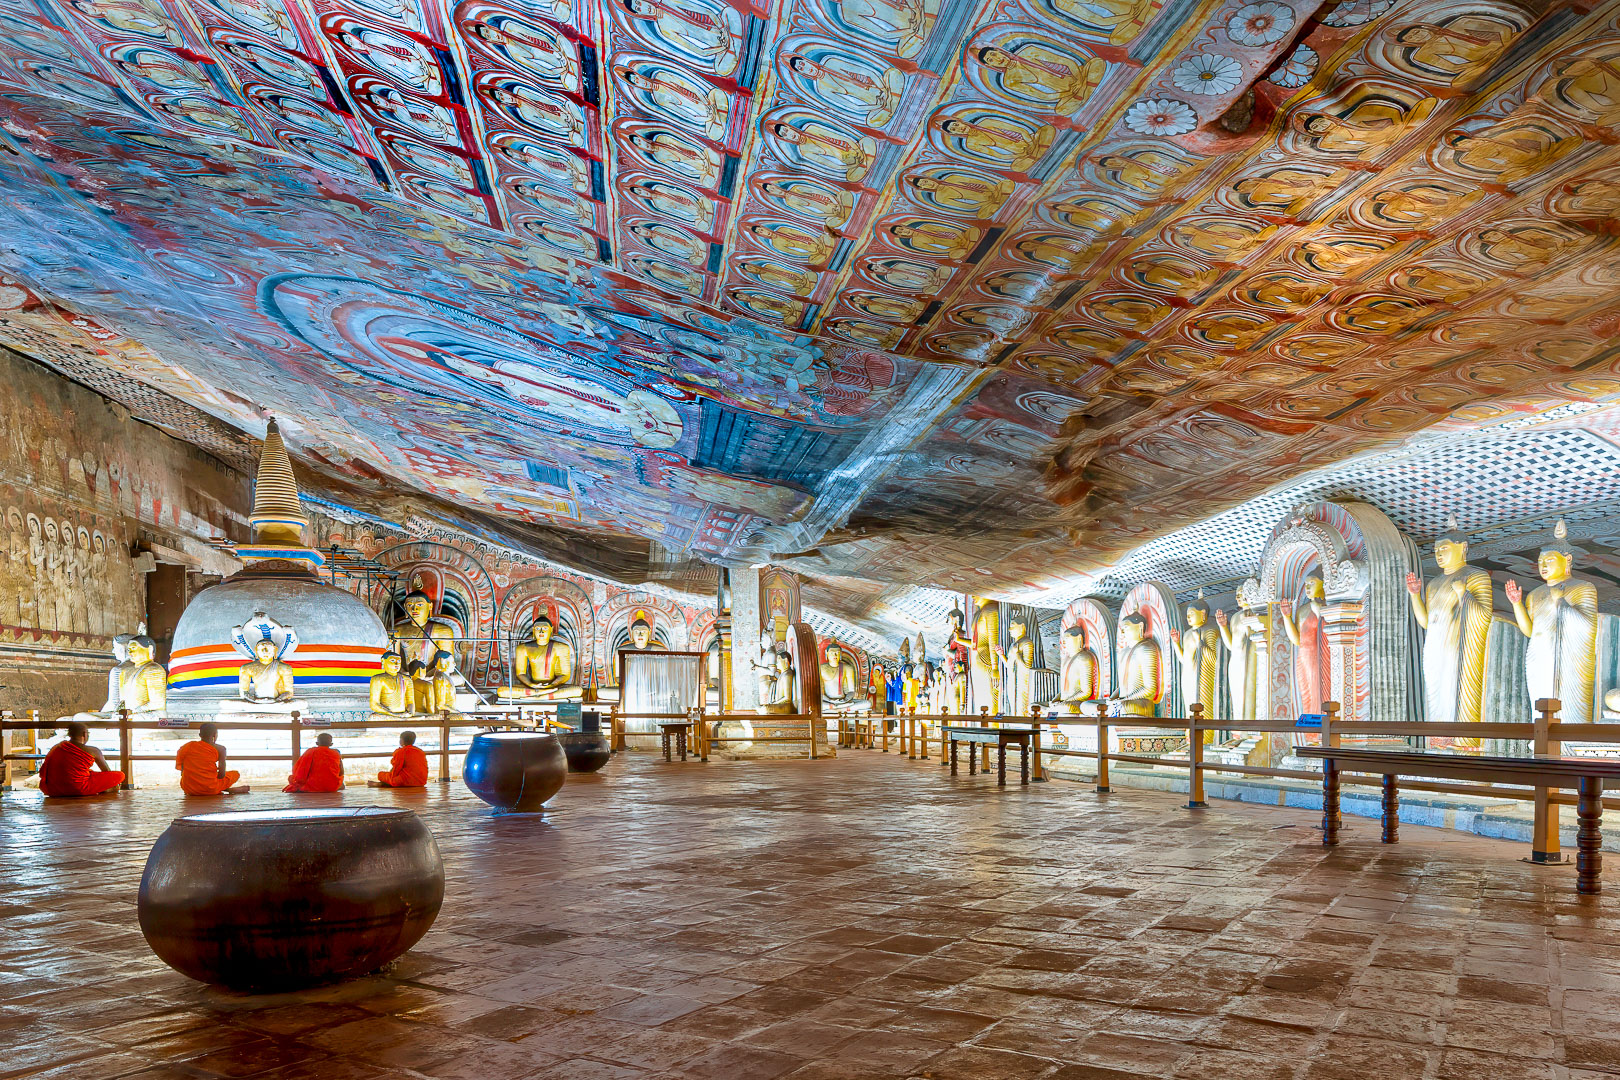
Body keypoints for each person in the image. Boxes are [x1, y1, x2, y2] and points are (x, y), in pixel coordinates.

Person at [38, 722, 124, 797]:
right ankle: (105, 790)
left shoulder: (57, 747)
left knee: (90, 773)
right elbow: (107, 772)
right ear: (84, 734)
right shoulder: (93, 751)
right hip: (78, 789)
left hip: (52, 790)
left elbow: (44, 770)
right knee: (120, 775)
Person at [175, 724, 248, 795]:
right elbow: (221, 775)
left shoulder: (188, 746)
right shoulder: (221, 749)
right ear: (215, 735)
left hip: (189, 789)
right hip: (210, 789)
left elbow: (182, 768)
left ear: (200, 735)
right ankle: (225, 789)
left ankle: (224, 789)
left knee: (204, 780)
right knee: (235, 774)